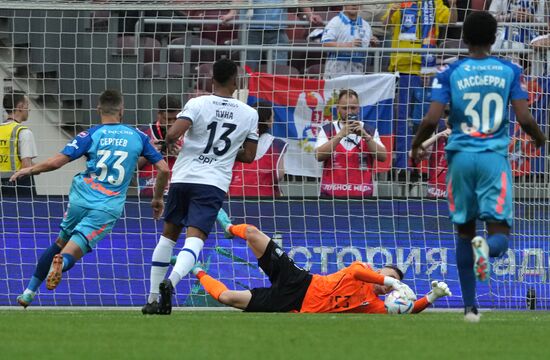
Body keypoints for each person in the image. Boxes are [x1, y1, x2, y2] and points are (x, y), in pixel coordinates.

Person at [411, 11, 546, 322]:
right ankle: (487, 247)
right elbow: (524, 118)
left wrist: (418, 144)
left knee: (463, 232)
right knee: (499, 231)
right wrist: (540, 139)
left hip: (459, 157)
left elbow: (432, 119)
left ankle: (470, 309)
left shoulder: (449, 71)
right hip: (492, 158)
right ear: (495, 37)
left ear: (465, 38)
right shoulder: (509, 70)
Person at [12, 89, 170, 308]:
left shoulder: (90, 135)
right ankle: (62, 262)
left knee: (60, 242)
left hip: (80, 198)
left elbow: (57, 161)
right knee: (72, 251)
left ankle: (29, 292)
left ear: (98, 109)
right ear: (122, 110)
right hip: (106, 206)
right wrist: (157, 199)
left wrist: (28, 171)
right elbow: (163, 170)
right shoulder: (138, 136)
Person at [142, 59, 259, 315]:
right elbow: (249, 156)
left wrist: (170, 142)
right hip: (212, 183)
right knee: (195, 239)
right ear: (235, 80)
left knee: (168, 236)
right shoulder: (249, 113)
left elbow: (172, 134)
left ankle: (152, 299)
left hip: (183, 178)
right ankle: (169, 283)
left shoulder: (197, 103)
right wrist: (226, 151)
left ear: (212, 80)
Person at [190, 208, 452, 314]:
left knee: (227, 298)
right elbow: (359, 273)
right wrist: (389, 281)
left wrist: (431, 297)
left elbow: (404, 311)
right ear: (381, 269)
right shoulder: (362, 269)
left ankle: (197, 269)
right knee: (251, 234)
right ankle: (228, 228)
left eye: (391, 284)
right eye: (389, 277)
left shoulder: (371, 304)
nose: (387, 285)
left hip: (291, 304)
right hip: (300, 280)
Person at [383, 0, 457, 173]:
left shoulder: (435, 2)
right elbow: (385, 23)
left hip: (426, 70)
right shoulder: (399, 2)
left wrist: (453, 4)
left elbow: (451, 21)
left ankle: (424, 168)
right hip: (402, 68)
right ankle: (403, 165)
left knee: (426, 120)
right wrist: (392, 13)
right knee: (403, 119)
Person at [315, 89, 387, 198]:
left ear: (358, 108)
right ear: (338, 108)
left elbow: (383, 156)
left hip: (363, 197)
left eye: (353, 108)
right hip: (330, 196)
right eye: (345, 108)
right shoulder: (327, 130)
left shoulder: (369, 131)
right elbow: (319, 155)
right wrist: (340, 135)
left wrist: (366, 137)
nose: (349, 112)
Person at [220, 0, 323, 71]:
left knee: (279, 72)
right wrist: (232, 13)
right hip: (250, 30)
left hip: (278, 30)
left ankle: (276, 101)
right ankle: (249, 99)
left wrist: (310, 14)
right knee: (249, 73)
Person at [228, 101, 288, 197]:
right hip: (265, 198)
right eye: (272, 117)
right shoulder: (275, 144)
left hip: (234, 196)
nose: (273, 120)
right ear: (267, 121)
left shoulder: (236, 141)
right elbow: (279, 174)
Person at [138, 95, 183, 197]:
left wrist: (182, 153)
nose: (172, 123)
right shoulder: (143, 133)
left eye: (175, 119)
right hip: (149, 190)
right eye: (168, 119)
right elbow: (132, 165)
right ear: (159, 115)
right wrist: (150, 152)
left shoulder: (190, 133)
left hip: (180, 188)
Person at [321, 4, 377, 79]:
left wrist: (373, 43)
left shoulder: (365, 25)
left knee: (354, 91)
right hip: (335, 70)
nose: (354, 4)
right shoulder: (335, 22)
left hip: (358, 70)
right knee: (335, 91)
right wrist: (347, 45)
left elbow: (368, 46)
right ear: (344, 3)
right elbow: (325, 43)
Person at [0, 90, 37, 196]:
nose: (29, 109)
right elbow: (26, 166)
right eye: (27, 105)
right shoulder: (23, 132)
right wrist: (44, 167)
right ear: (20, 107)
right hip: (19, 186)